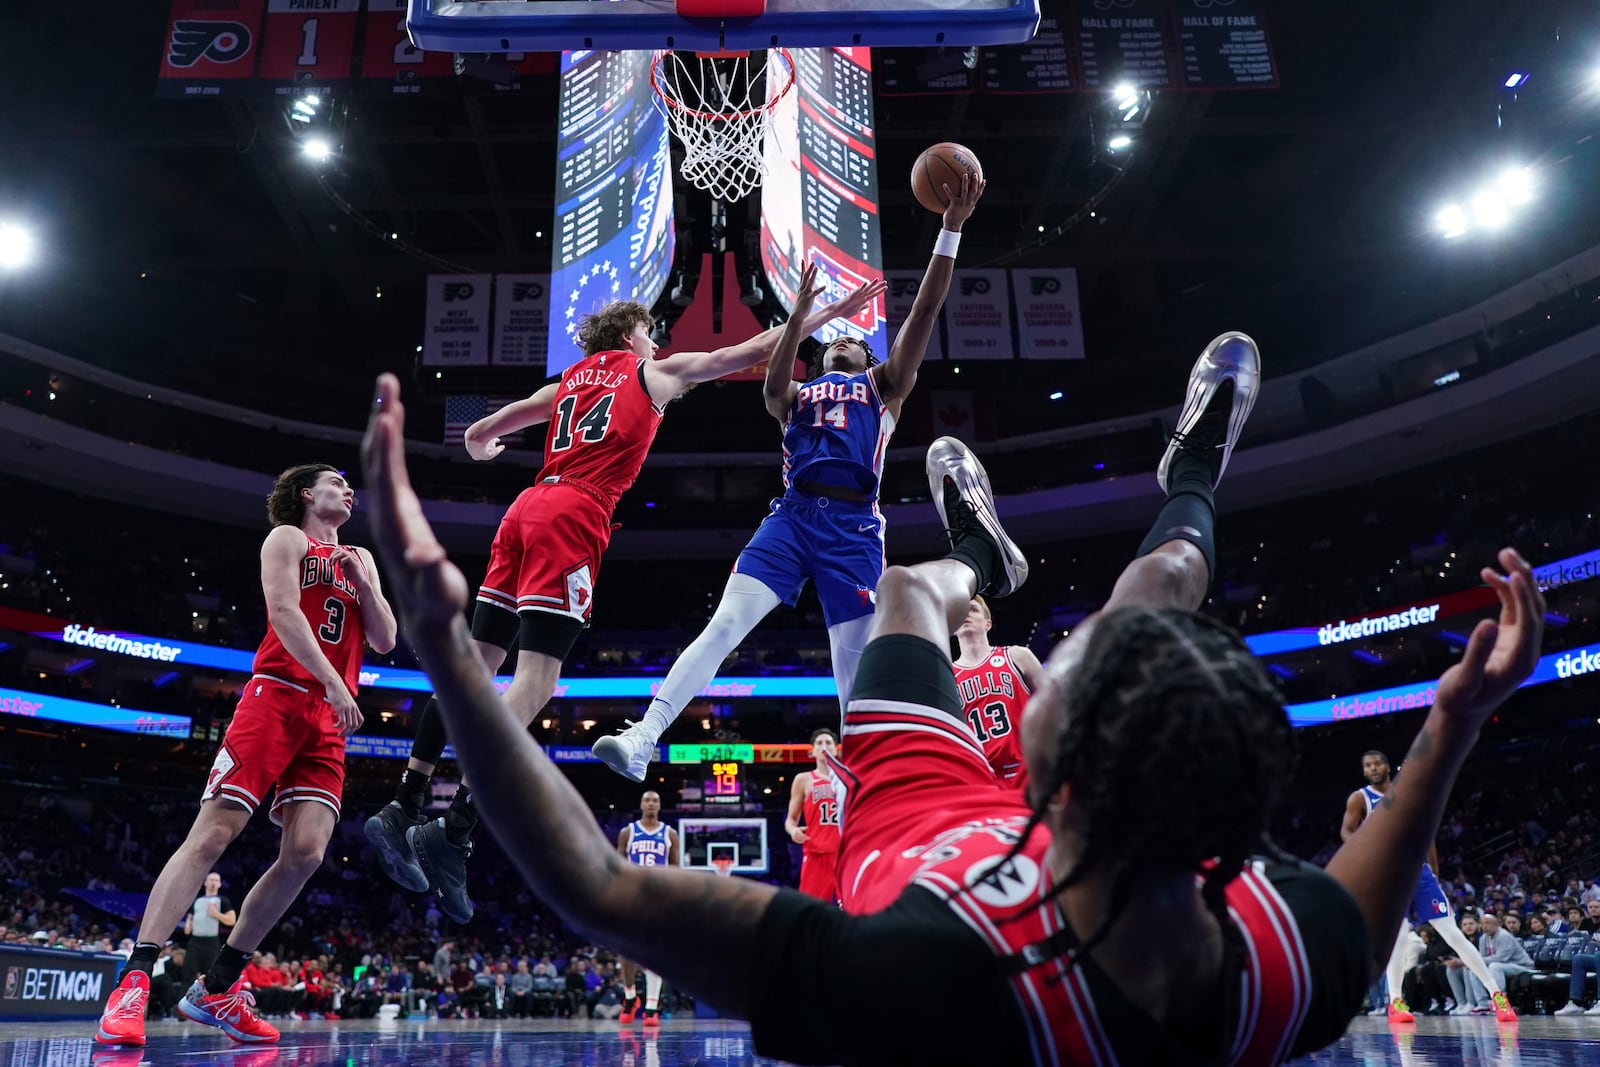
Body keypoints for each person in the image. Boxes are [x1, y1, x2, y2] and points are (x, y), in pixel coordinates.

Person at [359, 327, 1546, 1065]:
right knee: (1159, 588)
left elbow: (597, 882)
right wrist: (1449, 724)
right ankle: (1186, 476)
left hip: (918, 808)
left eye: (1060, 668)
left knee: (926, 594)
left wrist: (448, 656)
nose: (1053, 656)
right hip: (1025, 814)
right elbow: (1366, 898)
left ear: (1045, 757)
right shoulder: (1280, 957)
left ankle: (982, 546)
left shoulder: (940, 976)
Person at [364, 284, 880, 924]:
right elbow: (746, 350)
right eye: (650, 333)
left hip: (522, 511)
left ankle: (405, 805)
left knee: (471, 667)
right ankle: (454, 832)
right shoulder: (650, 373)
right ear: (631, 337)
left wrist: (484, 442)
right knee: (536, 684)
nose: (657, 342)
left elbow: (479, 433)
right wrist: (818, 316)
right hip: (573, 515)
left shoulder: (567, 383)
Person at [595, 180, 984, 785]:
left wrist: (951, 226)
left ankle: (869, 786)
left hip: (853, 529)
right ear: (818, 357)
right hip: (792, 518)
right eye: (837, 341)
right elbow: (773, 383)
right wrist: (800, 315)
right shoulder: (795, 394)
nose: (847, 342)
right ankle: (644, 736)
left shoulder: (886, 386)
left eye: (856, 340)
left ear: (867, 357)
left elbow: (927, 308)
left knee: (850, 673)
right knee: (722, 626)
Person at [95, 464, 396, 1047]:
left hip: (328, 718)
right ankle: (134, 978)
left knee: (307, 853)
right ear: (308, 495)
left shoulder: (359, 556)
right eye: (337, 481)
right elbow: (283, 614)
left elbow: (384, 638)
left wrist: (367, 586)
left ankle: (219, 985)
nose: (349, 489)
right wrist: (334, 681)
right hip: (278, 696)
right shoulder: (288, 538)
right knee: (213, 835)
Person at [1341, 749, 1517, 1022]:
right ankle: (1397, 1002)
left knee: (1453, 934)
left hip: (1417, 872)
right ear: (1364, 771)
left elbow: (1428, 832)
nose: (1373, 768)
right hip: (1387, 876)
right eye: (1368, 765)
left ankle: (1497, 996)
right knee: (1398, 939)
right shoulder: (1360, 798)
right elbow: (1346, 831)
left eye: (1378, 764)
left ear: (1387, 766)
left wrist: (1433, 870)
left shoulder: (1410, 794)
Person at [952, 595, 1043, 787]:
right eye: (961, 611)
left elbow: (1053, 707)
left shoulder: (1017, 656)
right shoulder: (947, 676)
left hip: (1024, 772)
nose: (966, 615)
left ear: (988, 624)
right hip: (980, 779)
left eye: (973, 609)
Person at [616, 790, 678, 1028]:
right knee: (626, 951)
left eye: (655, 800)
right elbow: (617, 867)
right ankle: (630, 997)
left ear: (660, 806)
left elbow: (676, 871)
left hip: (658, 899)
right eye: (647, 800)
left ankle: (651, 1007)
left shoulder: (669, 833)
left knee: (654, 954)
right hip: (632, 897)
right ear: (641, 804)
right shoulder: (627, 832)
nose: (651, 804)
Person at [784, 728, 842, 904]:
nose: (824, 746)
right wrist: (793, 831)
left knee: (851, 911)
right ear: (812, 751)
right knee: (811, 911)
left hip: (844, 854)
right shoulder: (803, 779)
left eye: (828, 743)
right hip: (816, 854)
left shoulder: (847, 778)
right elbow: (791, 820)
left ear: (836, 749)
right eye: (819, 743)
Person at [180, 872, 235, 986]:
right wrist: (188, 924)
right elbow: (191, 916)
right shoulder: (197, 901)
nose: (213, 882)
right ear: (205, 883)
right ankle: (183, 1000)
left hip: (211, 942)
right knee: (188, 972)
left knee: (209, 973)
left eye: (216, 880)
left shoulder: (222, 900)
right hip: (195, 941)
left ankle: (207, 1000)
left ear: (219, 884)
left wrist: (216, 914)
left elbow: (232, 920)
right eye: (211, 880)